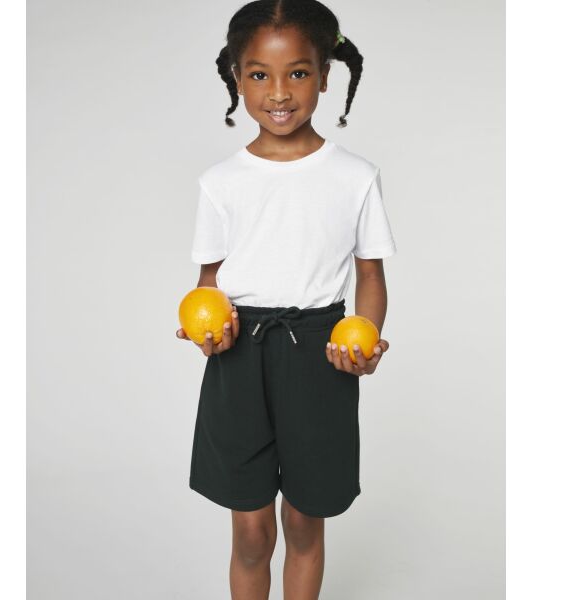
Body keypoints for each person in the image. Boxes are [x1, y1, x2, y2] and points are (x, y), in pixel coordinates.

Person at [176, 1, 397, 598]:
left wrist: (367, 339)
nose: (279, 92)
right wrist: (205, 331)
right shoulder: (220, 182)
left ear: (325, 76)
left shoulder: (355, 175)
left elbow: (370, 274)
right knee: (251, 532)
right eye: (259, 74)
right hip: (239, 354)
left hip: (321, 352)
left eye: (298, 72)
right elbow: (209, 280)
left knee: (304, 520)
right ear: (237, 78)